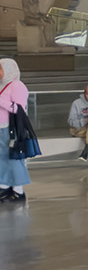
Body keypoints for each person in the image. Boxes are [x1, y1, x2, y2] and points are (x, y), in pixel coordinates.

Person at [0, 60, 30, 203]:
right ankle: (5, 186)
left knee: (14, 159)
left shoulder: (17, 86)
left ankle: (18, 190)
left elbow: (19, 110)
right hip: (1, 128)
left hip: (11, 128)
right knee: (3, 158)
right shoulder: (3, 86)